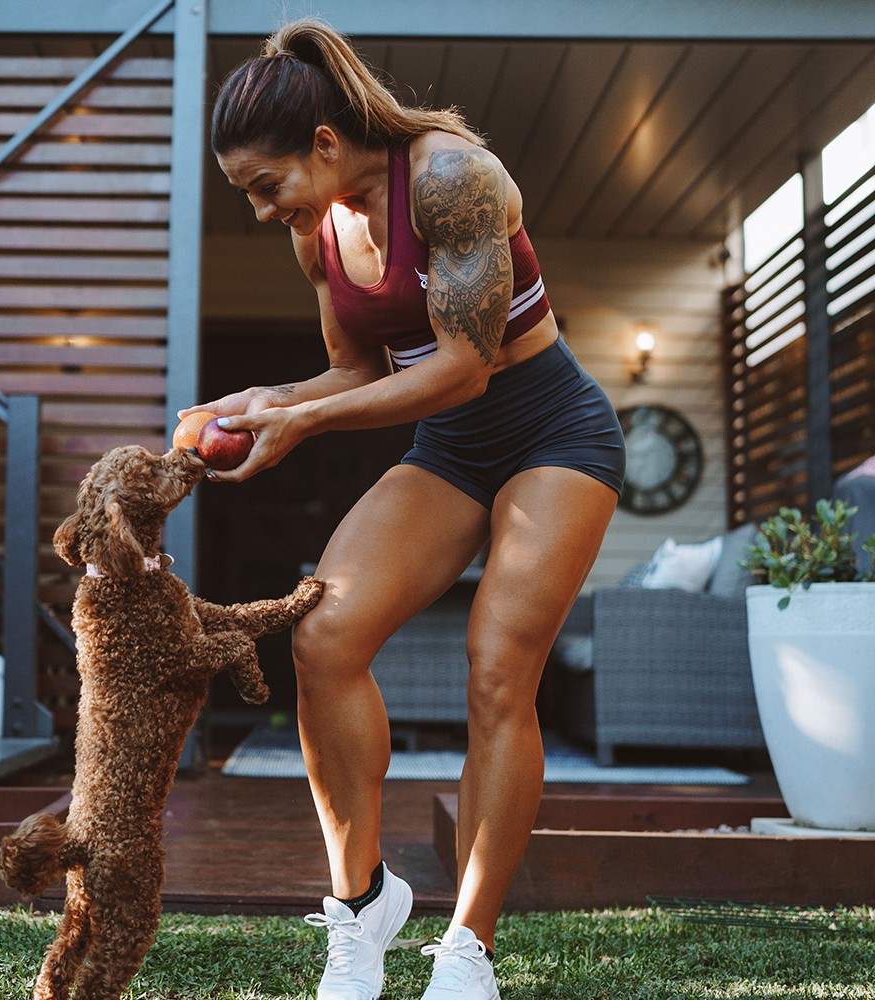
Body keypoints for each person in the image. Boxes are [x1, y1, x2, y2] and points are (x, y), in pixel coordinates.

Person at [183, 18, 625, 1000]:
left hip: (553, 430)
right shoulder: (318, 231)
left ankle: (467, 946)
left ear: (326, 146)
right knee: (322, 636)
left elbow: (465, 369)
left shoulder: (453, 177)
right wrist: (258, 403)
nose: (262, 211)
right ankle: (363, 905)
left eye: (267, 185)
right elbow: (352, 368)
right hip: (454, 450)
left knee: (497, 666)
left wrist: (304, 427)